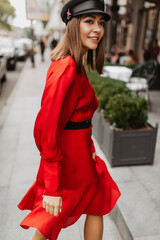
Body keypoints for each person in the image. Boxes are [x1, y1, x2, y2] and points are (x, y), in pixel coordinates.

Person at [18, 0, 121, 239]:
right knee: (48, 222)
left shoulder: (76, 63)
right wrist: (52, 185)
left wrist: (90, 148)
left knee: (97, 201)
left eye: (101, 22)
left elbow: (79, 119)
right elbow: (45, 128)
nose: (97, 29)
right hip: (66, 166)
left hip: (82, 158)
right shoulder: (65, 68)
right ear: (73, 24)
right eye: (89, 21)